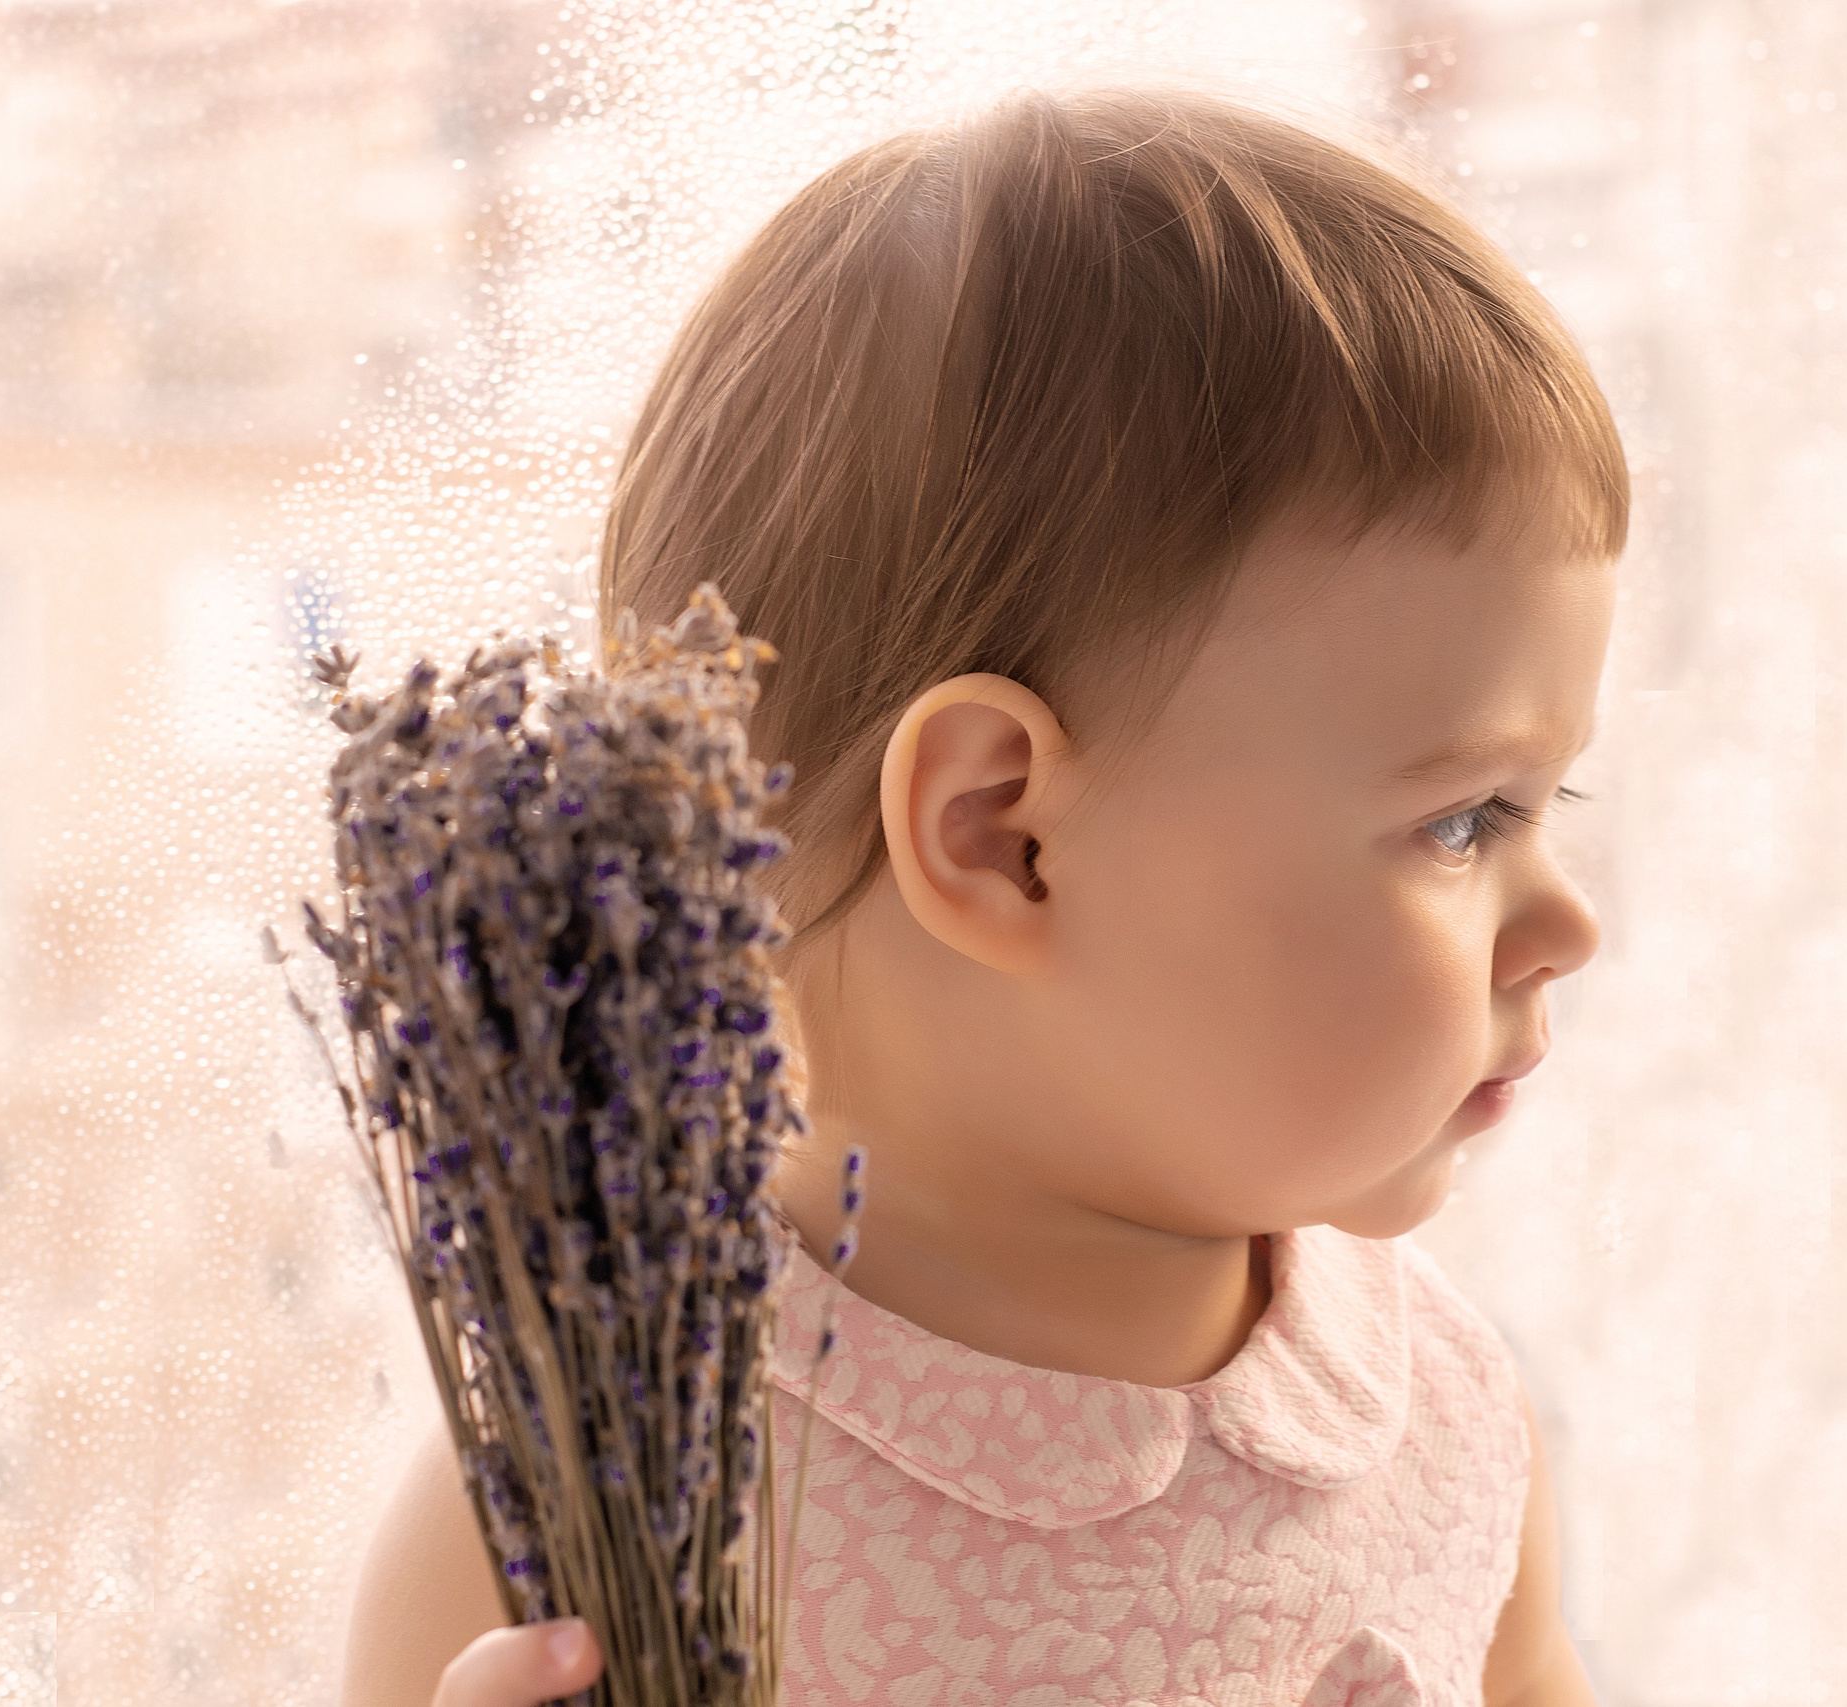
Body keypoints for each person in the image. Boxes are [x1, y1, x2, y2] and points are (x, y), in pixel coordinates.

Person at [340, 79, 1623, 1707]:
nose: (1569, 920)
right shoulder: (608, 1507)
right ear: (1002, 836)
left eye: (1547, 802)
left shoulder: (1437, 1408)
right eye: (1465, 820)